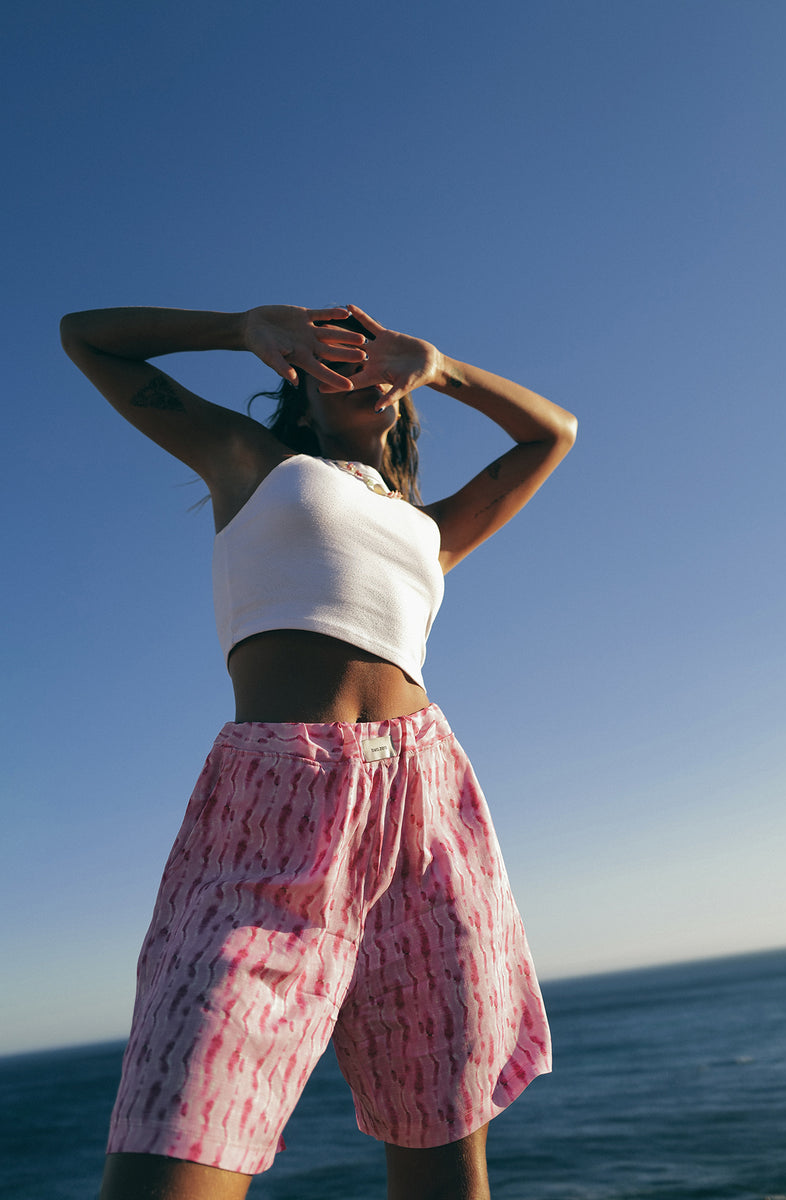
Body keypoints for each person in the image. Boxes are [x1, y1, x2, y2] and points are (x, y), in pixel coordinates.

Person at [60, 301, 578, 1200]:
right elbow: (85, 335)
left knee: (442, 1138)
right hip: (275, 798)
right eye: (341, 355)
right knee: (178, 1125)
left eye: (379, 359)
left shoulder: (431, 529)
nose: (364, 366)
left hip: (427, 806)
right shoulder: (252, 463)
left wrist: (443, 364)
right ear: (300, 382)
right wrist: (242, 329)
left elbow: (552, 434)